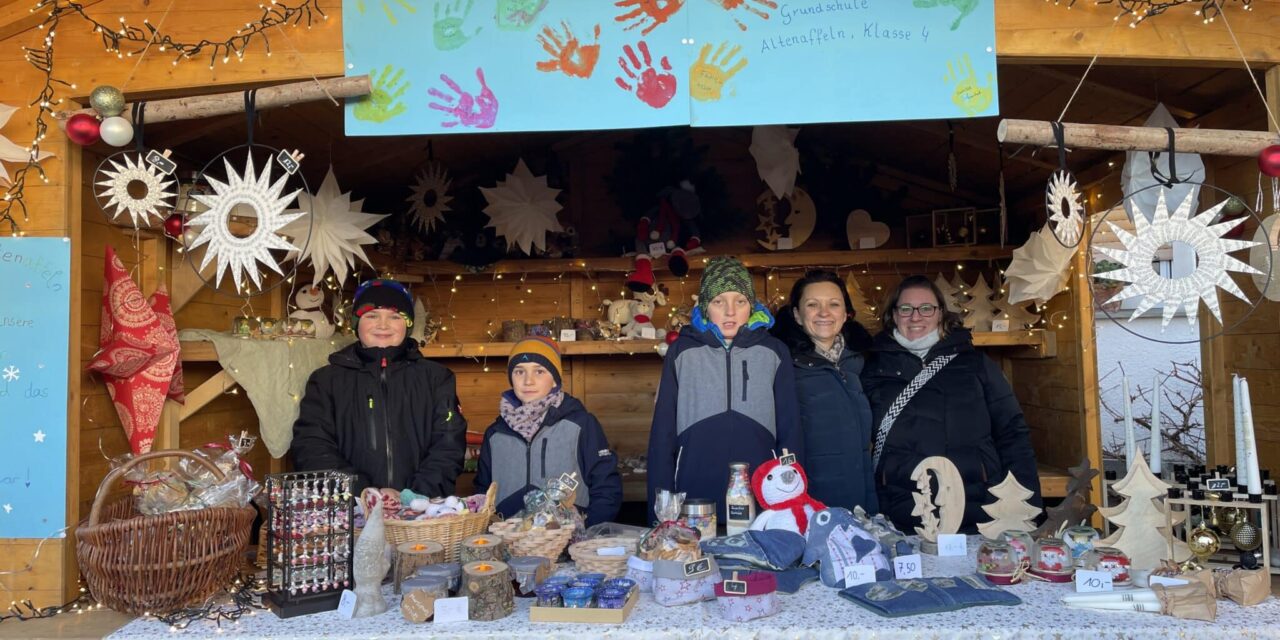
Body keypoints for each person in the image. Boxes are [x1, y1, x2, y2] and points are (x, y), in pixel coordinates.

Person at [861, 275, 1041, 532]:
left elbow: (1012, 433)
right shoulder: (872, 370)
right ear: (893, 315)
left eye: (926, 308)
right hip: (903, 506)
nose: (915, 317)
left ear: (940, 313)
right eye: (905, 309)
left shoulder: (976, 365)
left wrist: (1027, 505)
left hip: (978, 503)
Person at [647, 256, 802, 521]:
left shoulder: (774, 352)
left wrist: (793, 500)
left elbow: (791, 430)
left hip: (762, 493)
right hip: (694, 492)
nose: (730, 311)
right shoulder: (682, 352)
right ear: (706, 307)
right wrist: (660, 512)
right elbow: (663, 432)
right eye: (719, 301)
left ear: (751, 306)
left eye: (740, 301)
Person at [291, 278, 466, 497]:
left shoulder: (437, 378)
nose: (383, 325)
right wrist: (364, 492)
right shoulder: (326, 381)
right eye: (372, 315)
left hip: (422, 512)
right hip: (351, 511)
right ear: (356, 323)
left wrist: (412, 497)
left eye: (394, 316)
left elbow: (449, 445)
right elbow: (312, 446)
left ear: (408, 324)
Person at [474, 337, 622, 526]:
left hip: (568, 541)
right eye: (519, 372)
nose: (528, 381)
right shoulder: (495, 434)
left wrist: (588, 531)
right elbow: (482, 493)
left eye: (540, 371)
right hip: (507, 540)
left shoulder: (581, 424)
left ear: (554, 380)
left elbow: (606, 487)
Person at [772, 270, 877, 513]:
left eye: (833, 304)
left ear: (846, 313)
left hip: (862, 498)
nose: (824, 313)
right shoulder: (783, 366)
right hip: (810, 503)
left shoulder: (865, 361)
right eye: (812, 304)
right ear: (797, 315)